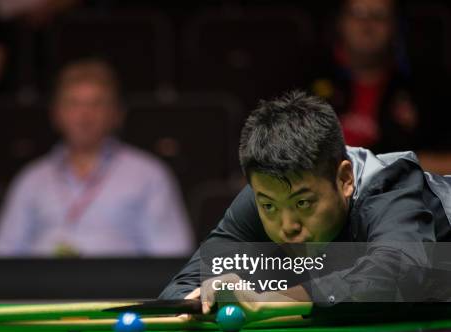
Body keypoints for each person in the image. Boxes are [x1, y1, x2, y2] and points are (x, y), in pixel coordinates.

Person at [159, 91, 451, 315]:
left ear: (345, 179)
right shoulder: (270, 191)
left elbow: (396, 276)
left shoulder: (391, 185)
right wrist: (204, 297)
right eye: (270, 207)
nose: (287, 226)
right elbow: (182, 286)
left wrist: (270, 300)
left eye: (304, 204)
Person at [0, 59, 193, 257]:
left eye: (97, 104)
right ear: (56, 114)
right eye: (73, 104)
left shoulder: (148, 174)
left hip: (122, 291)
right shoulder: (31, 178)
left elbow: (171, 254)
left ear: (116, 114)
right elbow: (0, 254)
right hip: (42, 290)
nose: (84, 115)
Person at [310, 0, 451, 174]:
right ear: (340, 22)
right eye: (357, 14)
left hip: (398, 194)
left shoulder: (426, 86)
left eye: (379, 16)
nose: (367, 25)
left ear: (395, 26)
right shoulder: (307, 78)